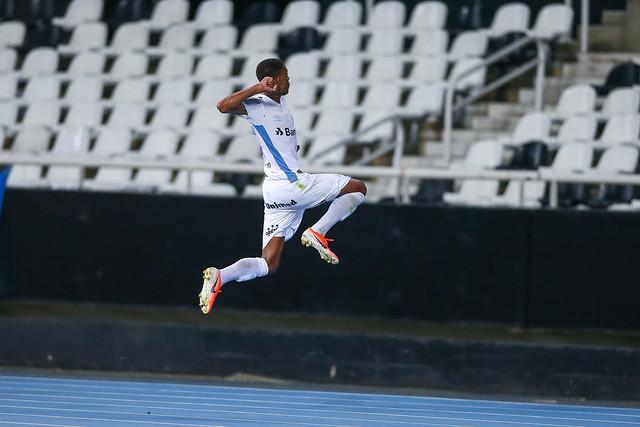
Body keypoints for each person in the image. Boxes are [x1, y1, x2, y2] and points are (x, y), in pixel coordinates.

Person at [198, 58, 367, 315]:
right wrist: (257, 88)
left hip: (277, 192)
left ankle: (221, 276)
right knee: (357, 188)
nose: (290, 79)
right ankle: (318, 231)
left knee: (269, 263)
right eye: (286, 74)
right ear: (273, 79)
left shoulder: (281, 104)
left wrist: (291, 149)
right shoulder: (258, 105)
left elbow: (277, 140)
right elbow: (223, 106)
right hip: (292, 185)